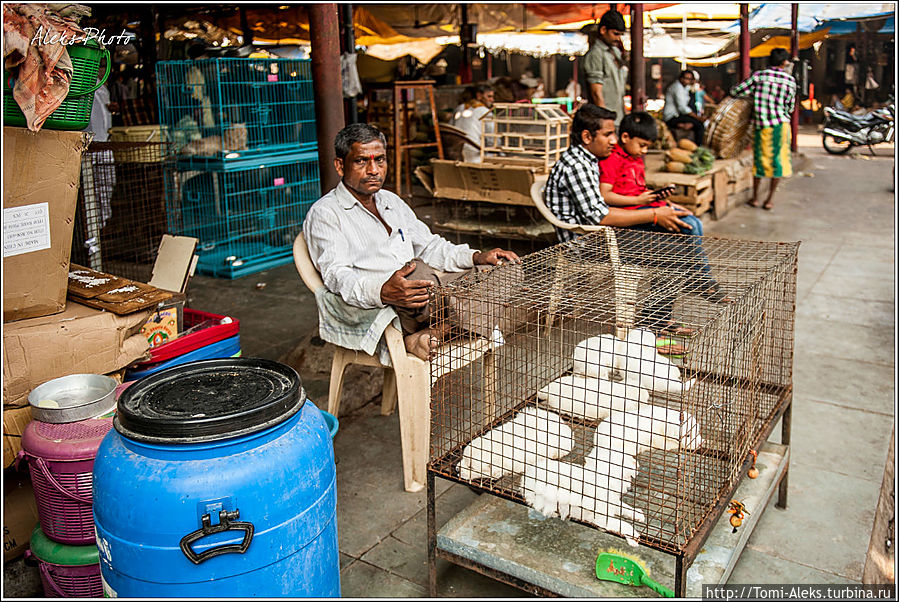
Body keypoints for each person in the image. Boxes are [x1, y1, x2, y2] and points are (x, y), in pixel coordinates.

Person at [303, 123, 520, 361]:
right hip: (401, 301)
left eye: (380, 160)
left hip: (433, 294)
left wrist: (475, 257)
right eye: (361, 161)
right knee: (418, 274)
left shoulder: (391, 201)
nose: (374, 170)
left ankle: (438, 331)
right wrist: (383, 291)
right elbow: (336, 275)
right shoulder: (326, 213)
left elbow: (430, 246)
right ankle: (474, 317)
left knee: (508, 268)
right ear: (340, 165)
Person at [543, 104, 729, 345]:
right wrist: (654, 215)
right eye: (608, 134)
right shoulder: (577, 165)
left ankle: (660, 319)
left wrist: (662, 209)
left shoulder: (588, 159)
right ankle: (655, 325)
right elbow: (602, 217)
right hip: (589, 244)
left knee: (679, 237)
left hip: (606, 235)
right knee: (679, 252)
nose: (613, 140)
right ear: (587, 137)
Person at [598, 111, 725, 301]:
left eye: (647, 147)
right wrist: (639, 201)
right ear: (625, 137)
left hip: (645, 206)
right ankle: (700, 279)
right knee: (687, 229)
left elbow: (639, 189)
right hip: (631, 214)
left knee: (693, 223)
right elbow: (605, 194)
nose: (645, 151)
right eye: (642, 145)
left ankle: (693, 282)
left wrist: (665, 202)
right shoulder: (612, 159)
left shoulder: (636, 158)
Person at [729, 47, 797, 211]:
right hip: (781, 127)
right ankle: (769, 200)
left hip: (762, 126)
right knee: (778, 163)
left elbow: (736, 91)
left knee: (759, 162)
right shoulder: (789, 80)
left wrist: (754, 98)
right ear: (784, 62)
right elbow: (790, 107)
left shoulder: (759, 76)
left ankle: (755, 198)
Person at [581, 9, 628, 124]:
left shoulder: (615, 52)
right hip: (607, 120)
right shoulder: (595, 54)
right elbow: (596, 93)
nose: (618, 38)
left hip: (618, 117)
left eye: (620, 35)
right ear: (603, 30)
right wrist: (605, 121)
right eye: (615, 34)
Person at [449, 83, 495, 163]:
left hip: (455, 153)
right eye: (489, 96)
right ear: (479, 95)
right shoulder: (485, 112)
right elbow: (492, 136)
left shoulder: (460, 107)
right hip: (474, 153)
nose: (492, 100)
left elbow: (450, 127)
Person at [663, 70, 705, 145]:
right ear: (681, 78)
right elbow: (682, 108)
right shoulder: (677, 88)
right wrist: (697, 118)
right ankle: (698, 147)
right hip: (671, 117)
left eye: (689, 79)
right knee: (699, 125)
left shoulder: (684, 88)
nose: (687, 81)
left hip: (679, 115)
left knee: (696, 123)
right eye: (686, 78)